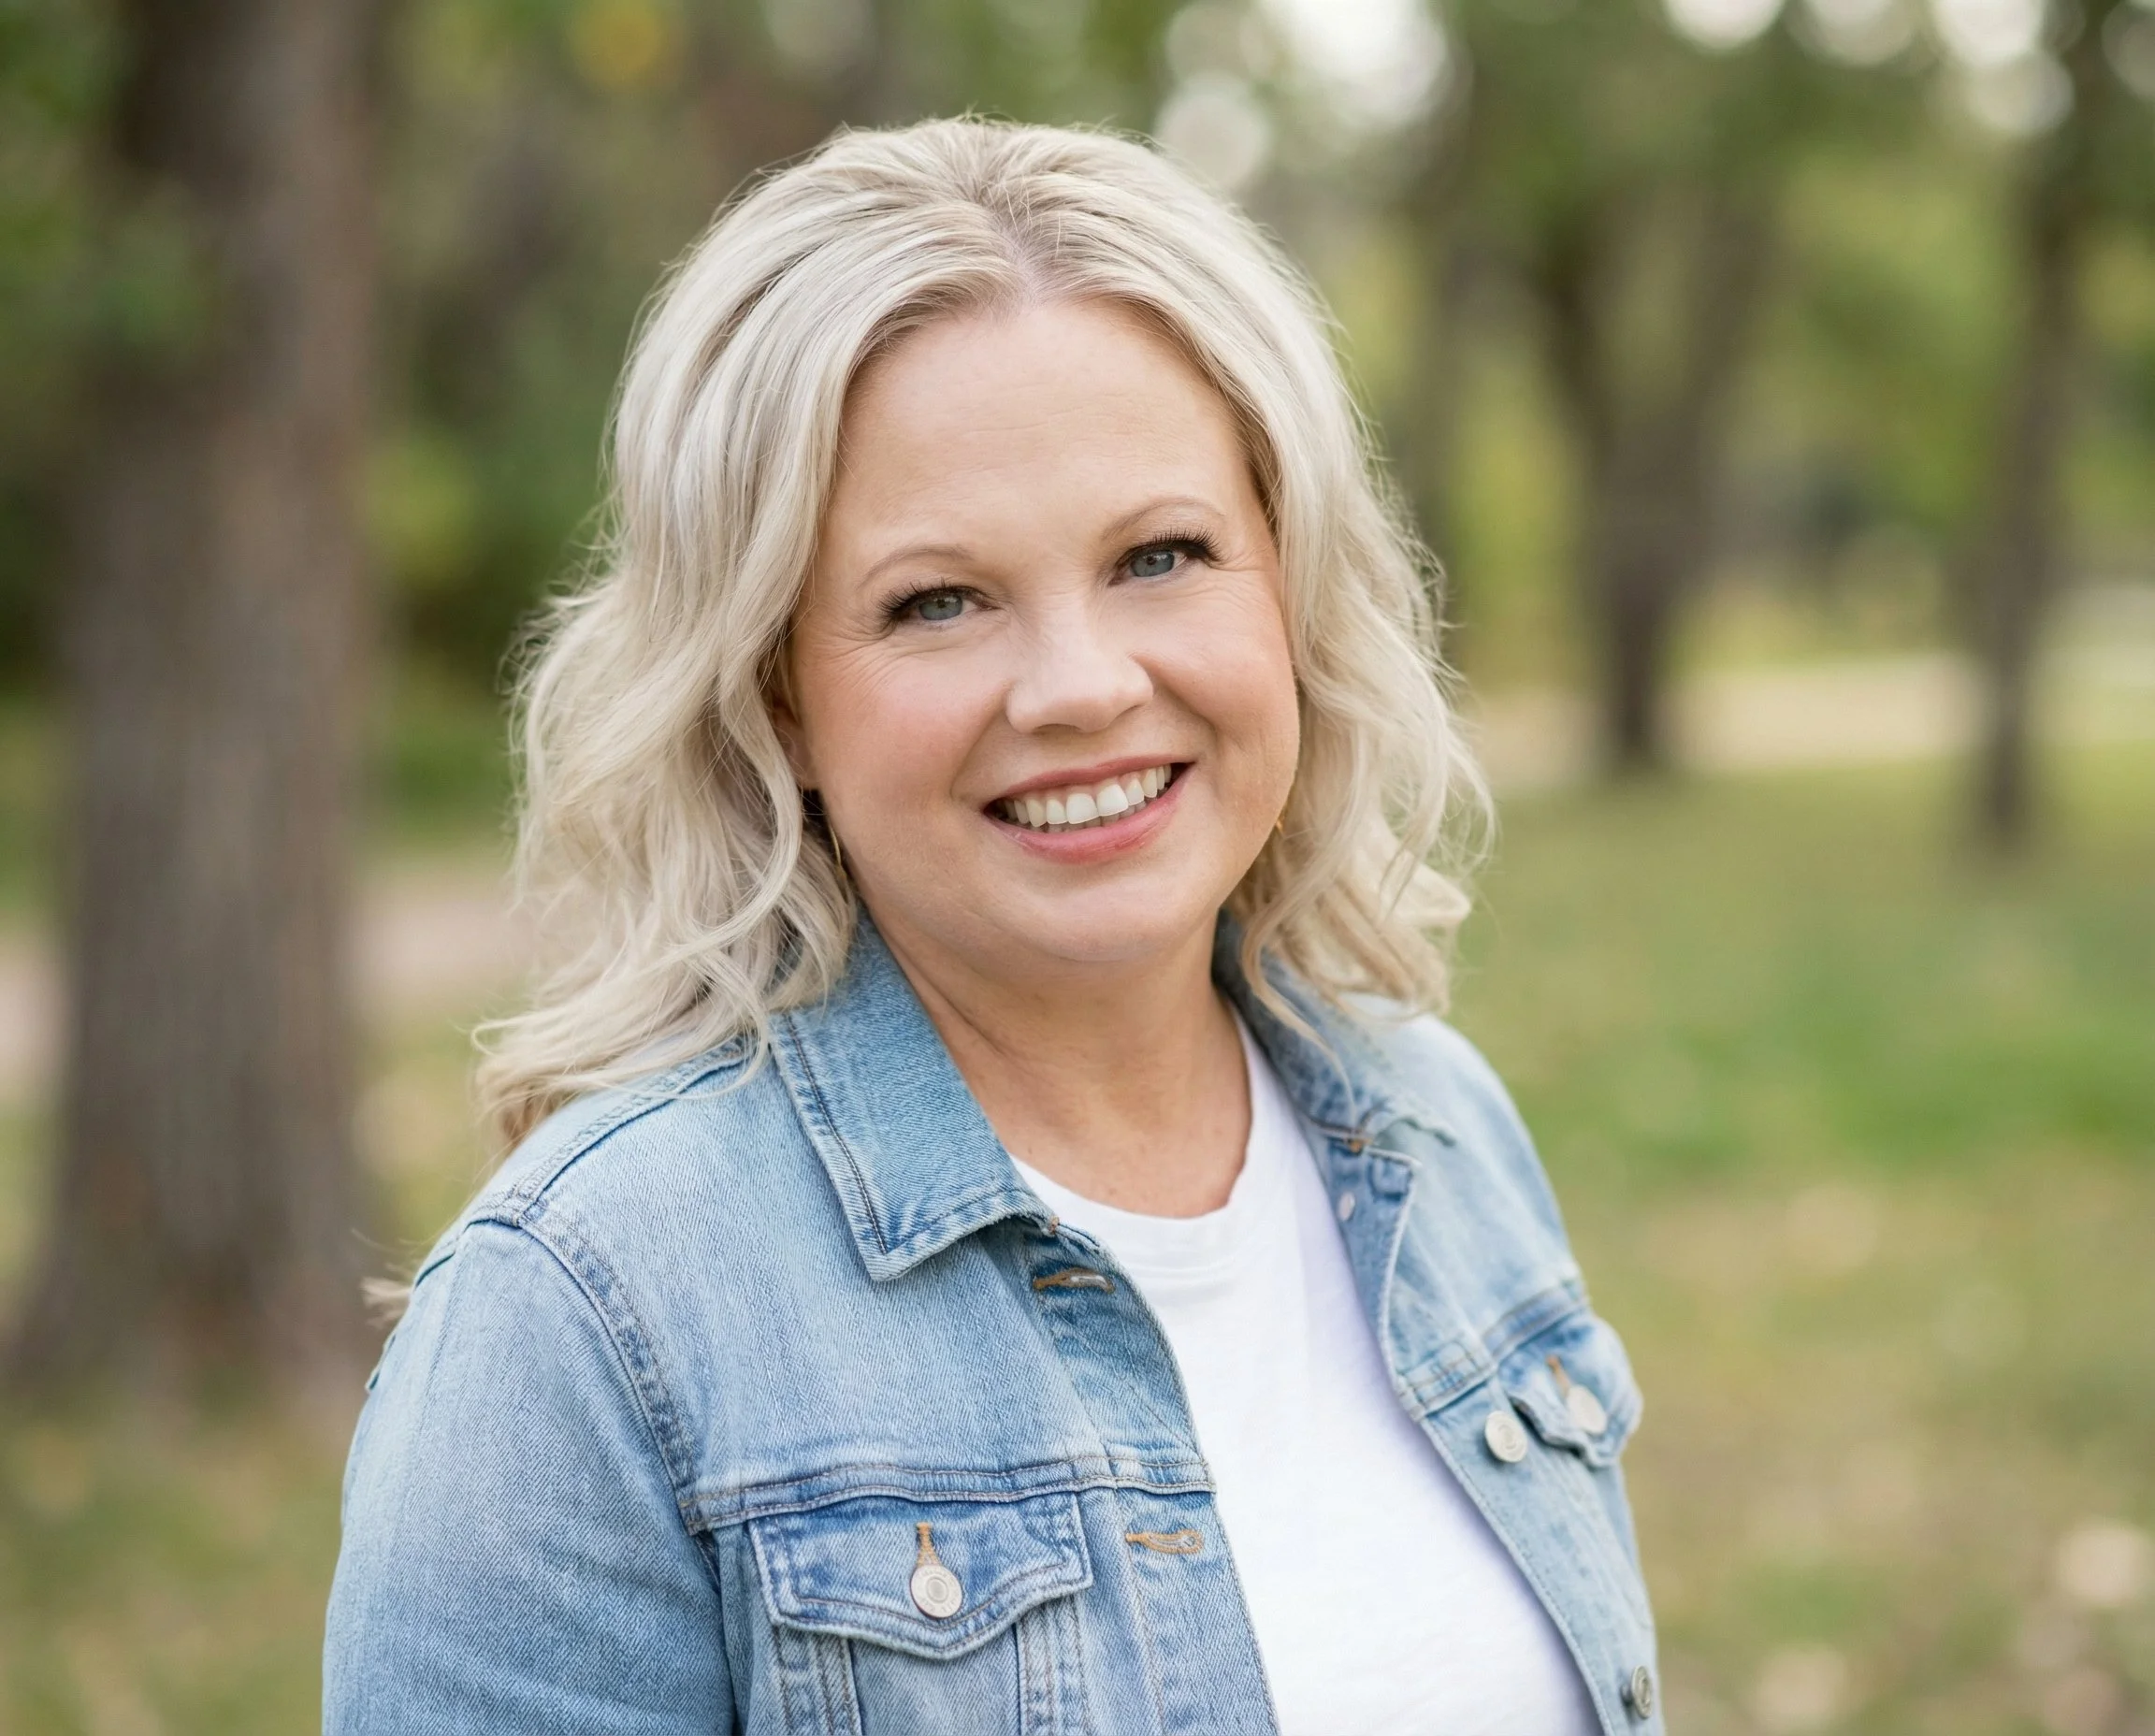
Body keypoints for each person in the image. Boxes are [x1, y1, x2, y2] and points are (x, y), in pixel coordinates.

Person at [324, 118, 1660, 1735]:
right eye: (937, 601)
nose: (1085, 686)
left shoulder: (1435, 1128)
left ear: (1291, 594)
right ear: (775, 700)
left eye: (1161, 556)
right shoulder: (586, 1319)